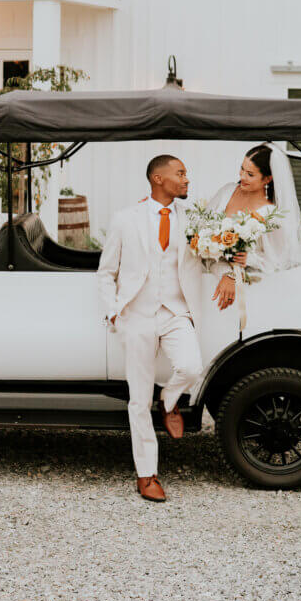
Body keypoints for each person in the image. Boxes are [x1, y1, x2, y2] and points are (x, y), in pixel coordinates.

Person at [95, 155, 204, 503]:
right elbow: (106, 272)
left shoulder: (194, 219)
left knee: (191, 367)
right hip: (137, 315)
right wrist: (114, 311)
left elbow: (216, 253)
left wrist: (234, 267)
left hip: (175, 311)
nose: (187, 180)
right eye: (180, 174)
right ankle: (147, 474)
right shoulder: (125, 219)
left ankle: (169, 400)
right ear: (158, 178)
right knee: (137, 399)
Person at [209, 143, 301, 310]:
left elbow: (279, 261)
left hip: (239, 288)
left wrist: (248, 258)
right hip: (206, 267)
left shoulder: (272, 216)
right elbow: (204, 225)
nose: (242, 176)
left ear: (267, 179)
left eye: (250, 174)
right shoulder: (227, 191)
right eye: (242, 169)